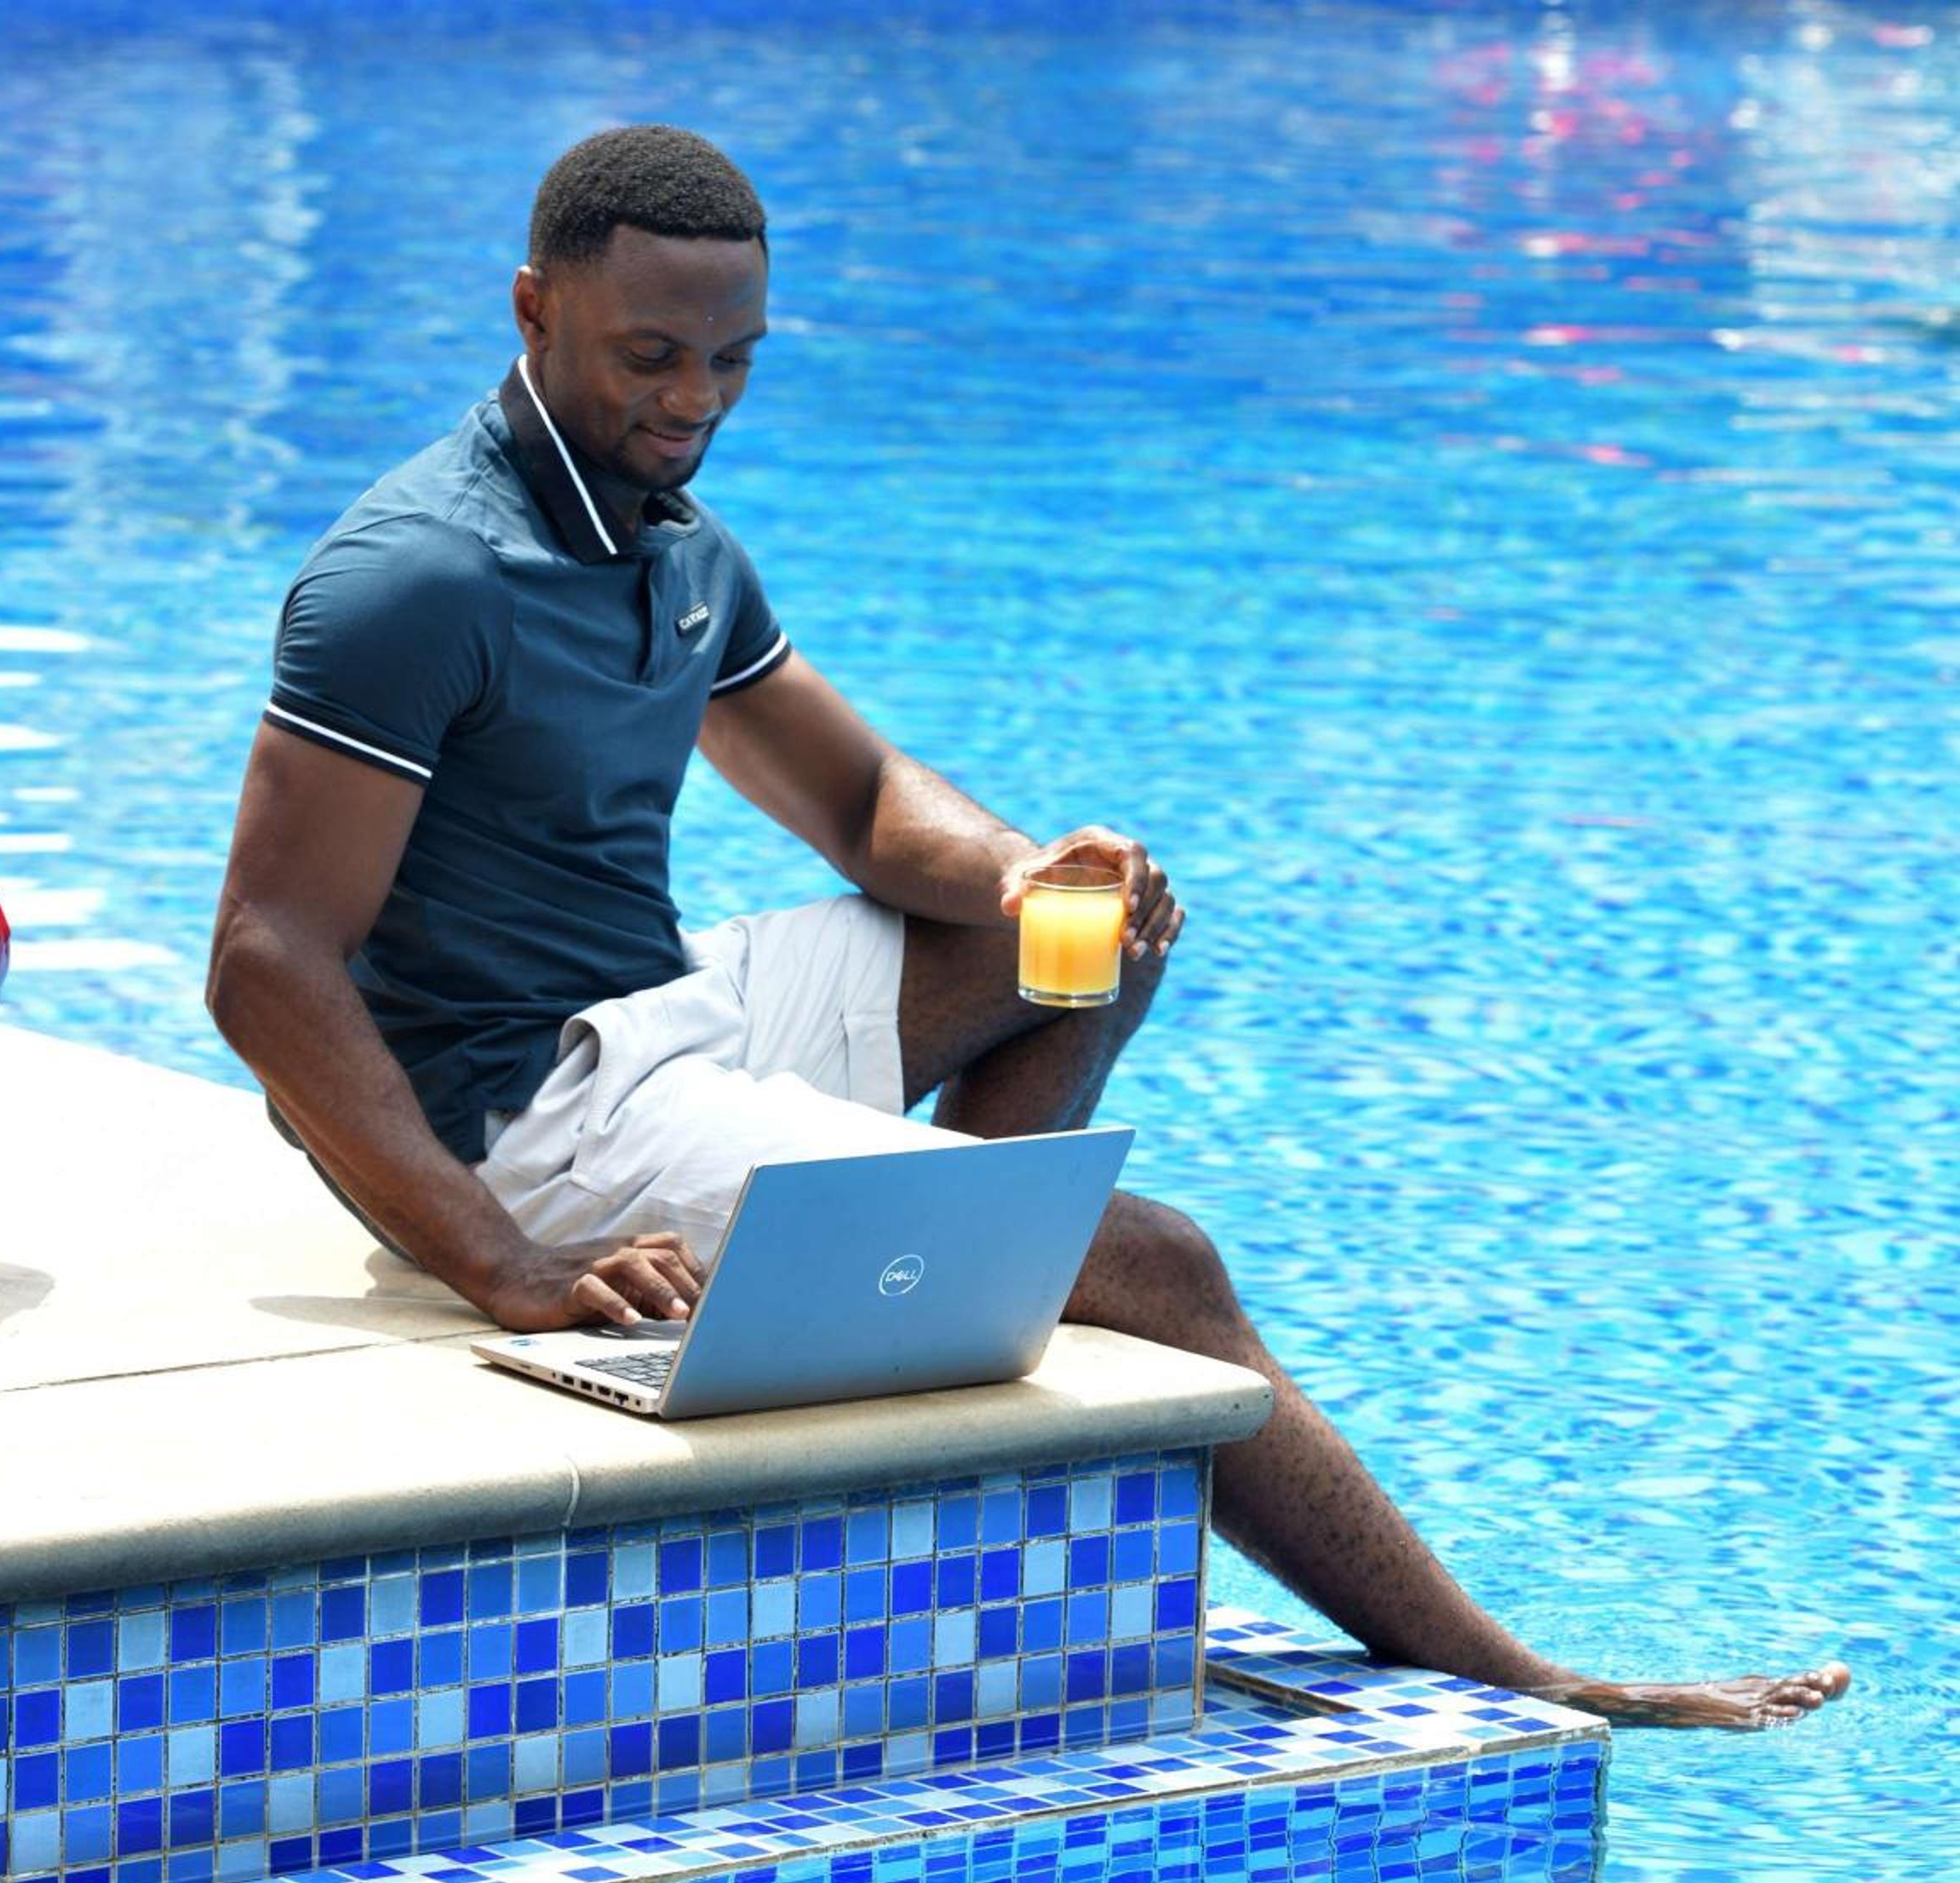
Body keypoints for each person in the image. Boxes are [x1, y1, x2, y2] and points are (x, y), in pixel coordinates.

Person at [207, 124, 1849, 1731]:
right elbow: (265, 960)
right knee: (1157, 1261)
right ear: (533, 307)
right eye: (652, 356)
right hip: (527, 1112)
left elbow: (861, 804)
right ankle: (1517, 1671)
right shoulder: (420, 576)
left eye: (734, 359)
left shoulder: (679, 544)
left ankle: (944, 1299)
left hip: (664, 1005)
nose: (696, 399)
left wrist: (1024, 872)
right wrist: (499, 1260)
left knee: (1091, 928)